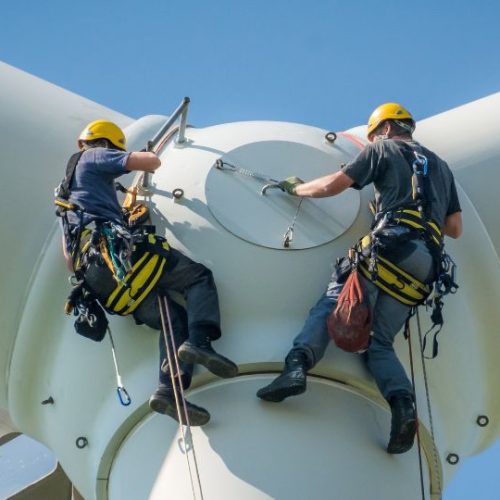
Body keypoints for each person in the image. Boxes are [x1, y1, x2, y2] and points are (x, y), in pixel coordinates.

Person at [256, 103, 462, 453]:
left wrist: (296, 190)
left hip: (389, 246)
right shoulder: (441, 168)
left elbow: (334, 186)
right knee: (378, 343)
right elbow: (454, 228)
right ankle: (403, 406)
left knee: (334, 302)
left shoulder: (382, 149)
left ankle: (296, 367)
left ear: (383, 129)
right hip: (425, 266)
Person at [58, 119, 238, 426]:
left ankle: (169, 391)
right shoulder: (95, 155)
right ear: (107, 143)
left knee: (172, 317)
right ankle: (201, 341)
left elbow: (68, 258)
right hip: (118, 255)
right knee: (197, 277)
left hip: (100, 279)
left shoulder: (65, 194)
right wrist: (142, 156)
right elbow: (149, 162)